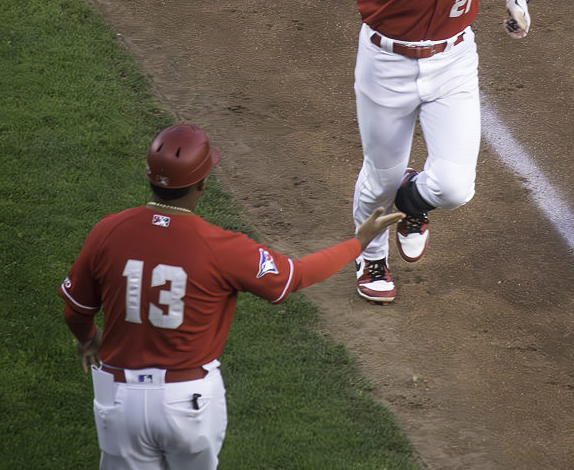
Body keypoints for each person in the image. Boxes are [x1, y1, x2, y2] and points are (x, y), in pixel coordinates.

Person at [187, 0, 531, 305]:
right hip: (387, 65)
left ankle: (413, 202)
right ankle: (371, 257)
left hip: (455, 60)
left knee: (455, 187)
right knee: (380, 174)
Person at [58, 123, 403, 469]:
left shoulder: (108, 231)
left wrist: (87, 340)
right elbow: (294, 277)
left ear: (149, 176)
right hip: (187, 402)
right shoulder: (221, 247)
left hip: (119, 399)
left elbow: (76, 312)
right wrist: (358, 242)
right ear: (203, 182)